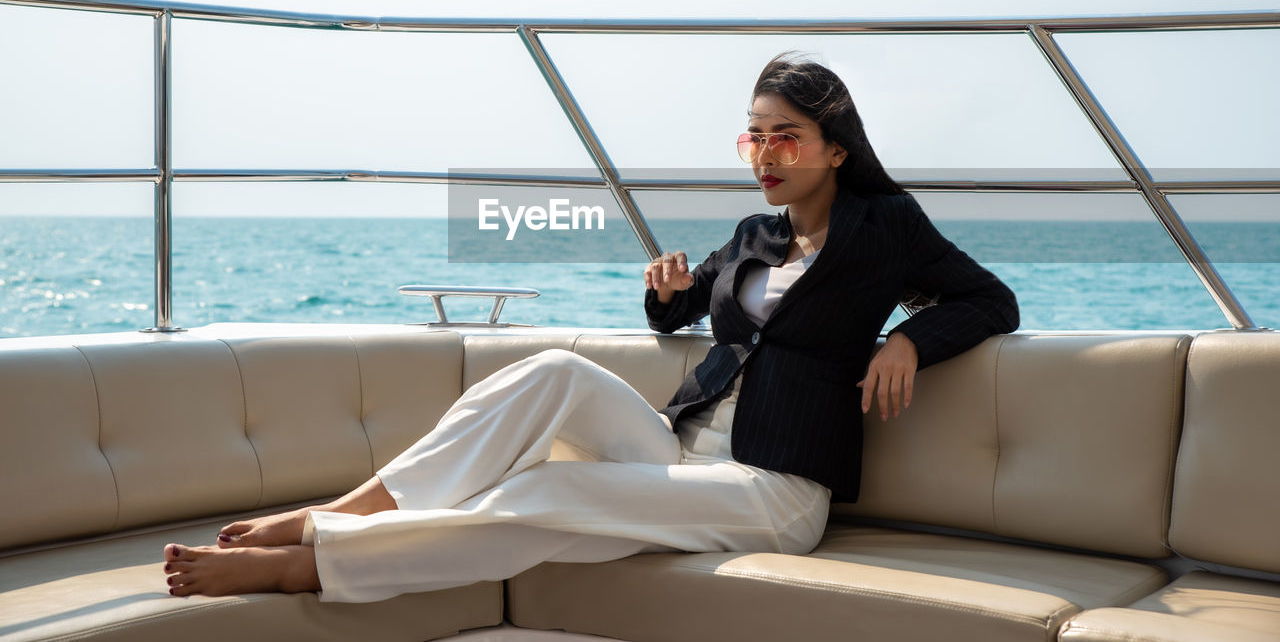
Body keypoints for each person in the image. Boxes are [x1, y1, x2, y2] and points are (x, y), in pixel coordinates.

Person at [161, 53, 1018, 601]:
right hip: (677, 451)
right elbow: (685, 312)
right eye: (754, 138)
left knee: (547, 491)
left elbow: (990, 301)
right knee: (551, 373)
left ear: (835, 148)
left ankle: (314, 560)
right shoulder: (756, 234)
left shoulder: (886, 225)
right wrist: (666, 289)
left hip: (774, 487)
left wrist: (907, 338)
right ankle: (348, 509)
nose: (765, 156)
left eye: (785, 139)